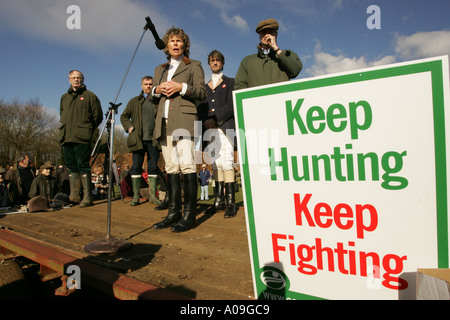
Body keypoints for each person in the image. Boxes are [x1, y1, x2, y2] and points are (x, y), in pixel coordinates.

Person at [151, 26, 207, 233]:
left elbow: (202, 92)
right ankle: (173, 213)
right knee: (171, 167)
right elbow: (151, 97)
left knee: (187, 166)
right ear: (166, 46)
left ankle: (189, 215)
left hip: (184, 120)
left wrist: (181, 88)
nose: (175, 43)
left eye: (179, 41)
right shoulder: (160, 69)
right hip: (163, 122)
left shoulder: (194, 65)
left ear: (184, 45)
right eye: (171, 41)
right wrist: (156, 90)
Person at [197, 50, 237, 217]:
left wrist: (215, 118)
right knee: (215, 164)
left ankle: (231, 203)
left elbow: (231, 105)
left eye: (218, 60)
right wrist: (206, 121)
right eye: (212, 60)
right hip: (210, 130)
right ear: (209, 63)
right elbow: (200, 107)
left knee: (227, 162)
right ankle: (218, 200)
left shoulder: (230, 82)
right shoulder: (204, 87)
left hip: (225, 127)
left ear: (222, 63)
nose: (215, 63)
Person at [58, 70, 103, 208]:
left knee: (83, 165)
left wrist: (87, 129)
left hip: (82, 136)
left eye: (79, 77)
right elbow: (62, 114)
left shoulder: (90, 96)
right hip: (67, 136)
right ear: (69, 80)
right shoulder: (64, 97)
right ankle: (74, 195)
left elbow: (98, 117)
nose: (76, 80)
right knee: (71, 166)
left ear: (83, 80)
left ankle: (87, 197)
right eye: (73, 78)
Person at [120, 76, 161, 206]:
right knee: (136, 167)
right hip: (138, 140)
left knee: (153, 167)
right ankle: (136, 196)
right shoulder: (134, 101)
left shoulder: (159, 101)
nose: (148, 86)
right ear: (141, 85)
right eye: (146, 84)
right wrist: (129, 127)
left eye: (150, 84)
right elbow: (124, 116)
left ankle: (153, 197)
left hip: (154, 139)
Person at [234, 18, 303, 90]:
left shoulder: (285, 55)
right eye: (263, 32)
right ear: (259, 36)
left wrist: (276, 48)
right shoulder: (247, 61)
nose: (267, 35)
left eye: (270, 32)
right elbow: (239, 86)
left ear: (276, 35)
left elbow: (295, 71)